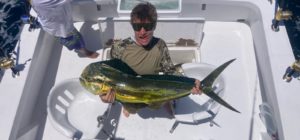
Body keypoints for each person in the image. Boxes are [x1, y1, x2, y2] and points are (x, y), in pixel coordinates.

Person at [100, 2, 201, 117]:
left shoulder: (160, 45)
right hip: (130, 93)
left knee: (157, 104)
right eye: (137, 27)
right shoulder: (119, 48)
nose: (142, 32)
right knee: (132, 108)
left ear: (154, 26)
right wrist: (103, 96)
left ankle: (166, 102)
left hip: (154, 90)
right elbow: (110, 75)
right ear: (132, 26)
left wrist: (190, 82)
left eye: (147, 27)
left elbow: (169, 71)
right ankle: (128, 108)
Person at [30, 0, 99, 58]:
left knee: (65, 37)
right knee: (75, 39)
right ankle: (84, 51)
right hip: (60, 27)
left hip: (51, 22)